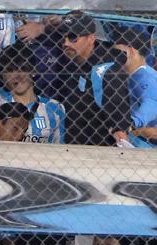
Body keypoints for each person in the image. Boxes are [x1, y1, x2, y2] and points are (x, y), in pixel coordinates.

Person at [44, 11, 131, 146]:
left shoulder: (106, 70)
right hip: (70, 148)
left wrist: (119, 133)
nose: (65, 43)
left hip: (98, 151)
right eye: (62, 37)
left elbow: (119, 120)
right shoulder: (70, 63)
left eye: (73, 37)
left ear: (91, 38)